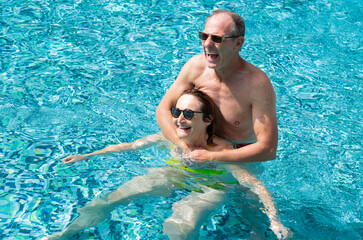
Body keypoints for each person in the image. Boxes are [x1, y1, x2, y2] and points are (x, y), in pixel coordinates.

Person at [44, 90, 291, 240]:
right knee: (109, 200)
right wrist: (87, 156)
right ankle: (64, 235)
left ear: (207, 120)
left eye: (189, 114)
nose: (180, 119)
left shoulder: (220, 150)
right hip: (175, 173)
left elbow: (255, 184)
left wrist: (274, 219)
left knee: (177, 227)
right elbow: (130, 146)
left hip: (212, 185)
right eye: (176, 111)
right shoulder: (172, 137)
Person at [156, 9, 278, 164]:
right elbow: (163, 109)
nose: (207, 44)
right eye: (204, 36)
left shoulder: (257, 85)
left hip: (233, 161)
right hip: (194, 146)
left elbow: (268, 149)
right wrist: (184, 146)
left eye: (216, 38)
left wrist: (211, 156)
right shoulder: (195, 67)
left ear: (238, 43)